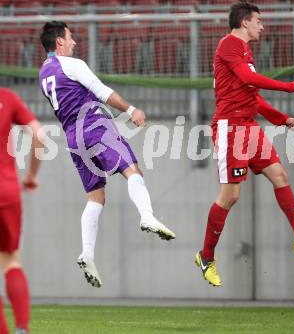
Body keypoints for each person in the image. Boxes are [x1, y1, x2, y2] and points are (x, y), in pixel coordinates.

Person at [195, 2, 294, 287]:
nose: (262, 25)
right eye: (258, 20)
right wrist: (289, 87)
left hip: (248, 126)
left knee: (280, 175)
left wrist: (281, 119)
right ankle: (206, 256)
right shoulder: (230, 44)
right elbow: (247, 78)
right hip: (231, 128)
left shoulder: (244, 50)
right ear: (244, 22)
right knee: (230, 196)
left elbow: (252, 96)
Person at [39, 21, 175, 289]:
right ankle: (146, 215)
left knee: (96, 196)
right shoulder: (73, 64)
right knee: (132, 169)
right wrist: (131, 109)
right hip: (94, 125)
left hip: (72, 136)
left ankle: (87, 254)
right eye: (70, 37)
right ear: (59, 43)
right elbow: (103, 92)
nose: (74, 41)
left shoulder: (43, 73)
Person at [0, 88, 43, 334]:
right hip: (7, 191)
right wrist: (31, 176)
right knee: (11, 260)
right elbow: (39, 134)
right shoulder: (7, 98)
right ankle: (21, 329)